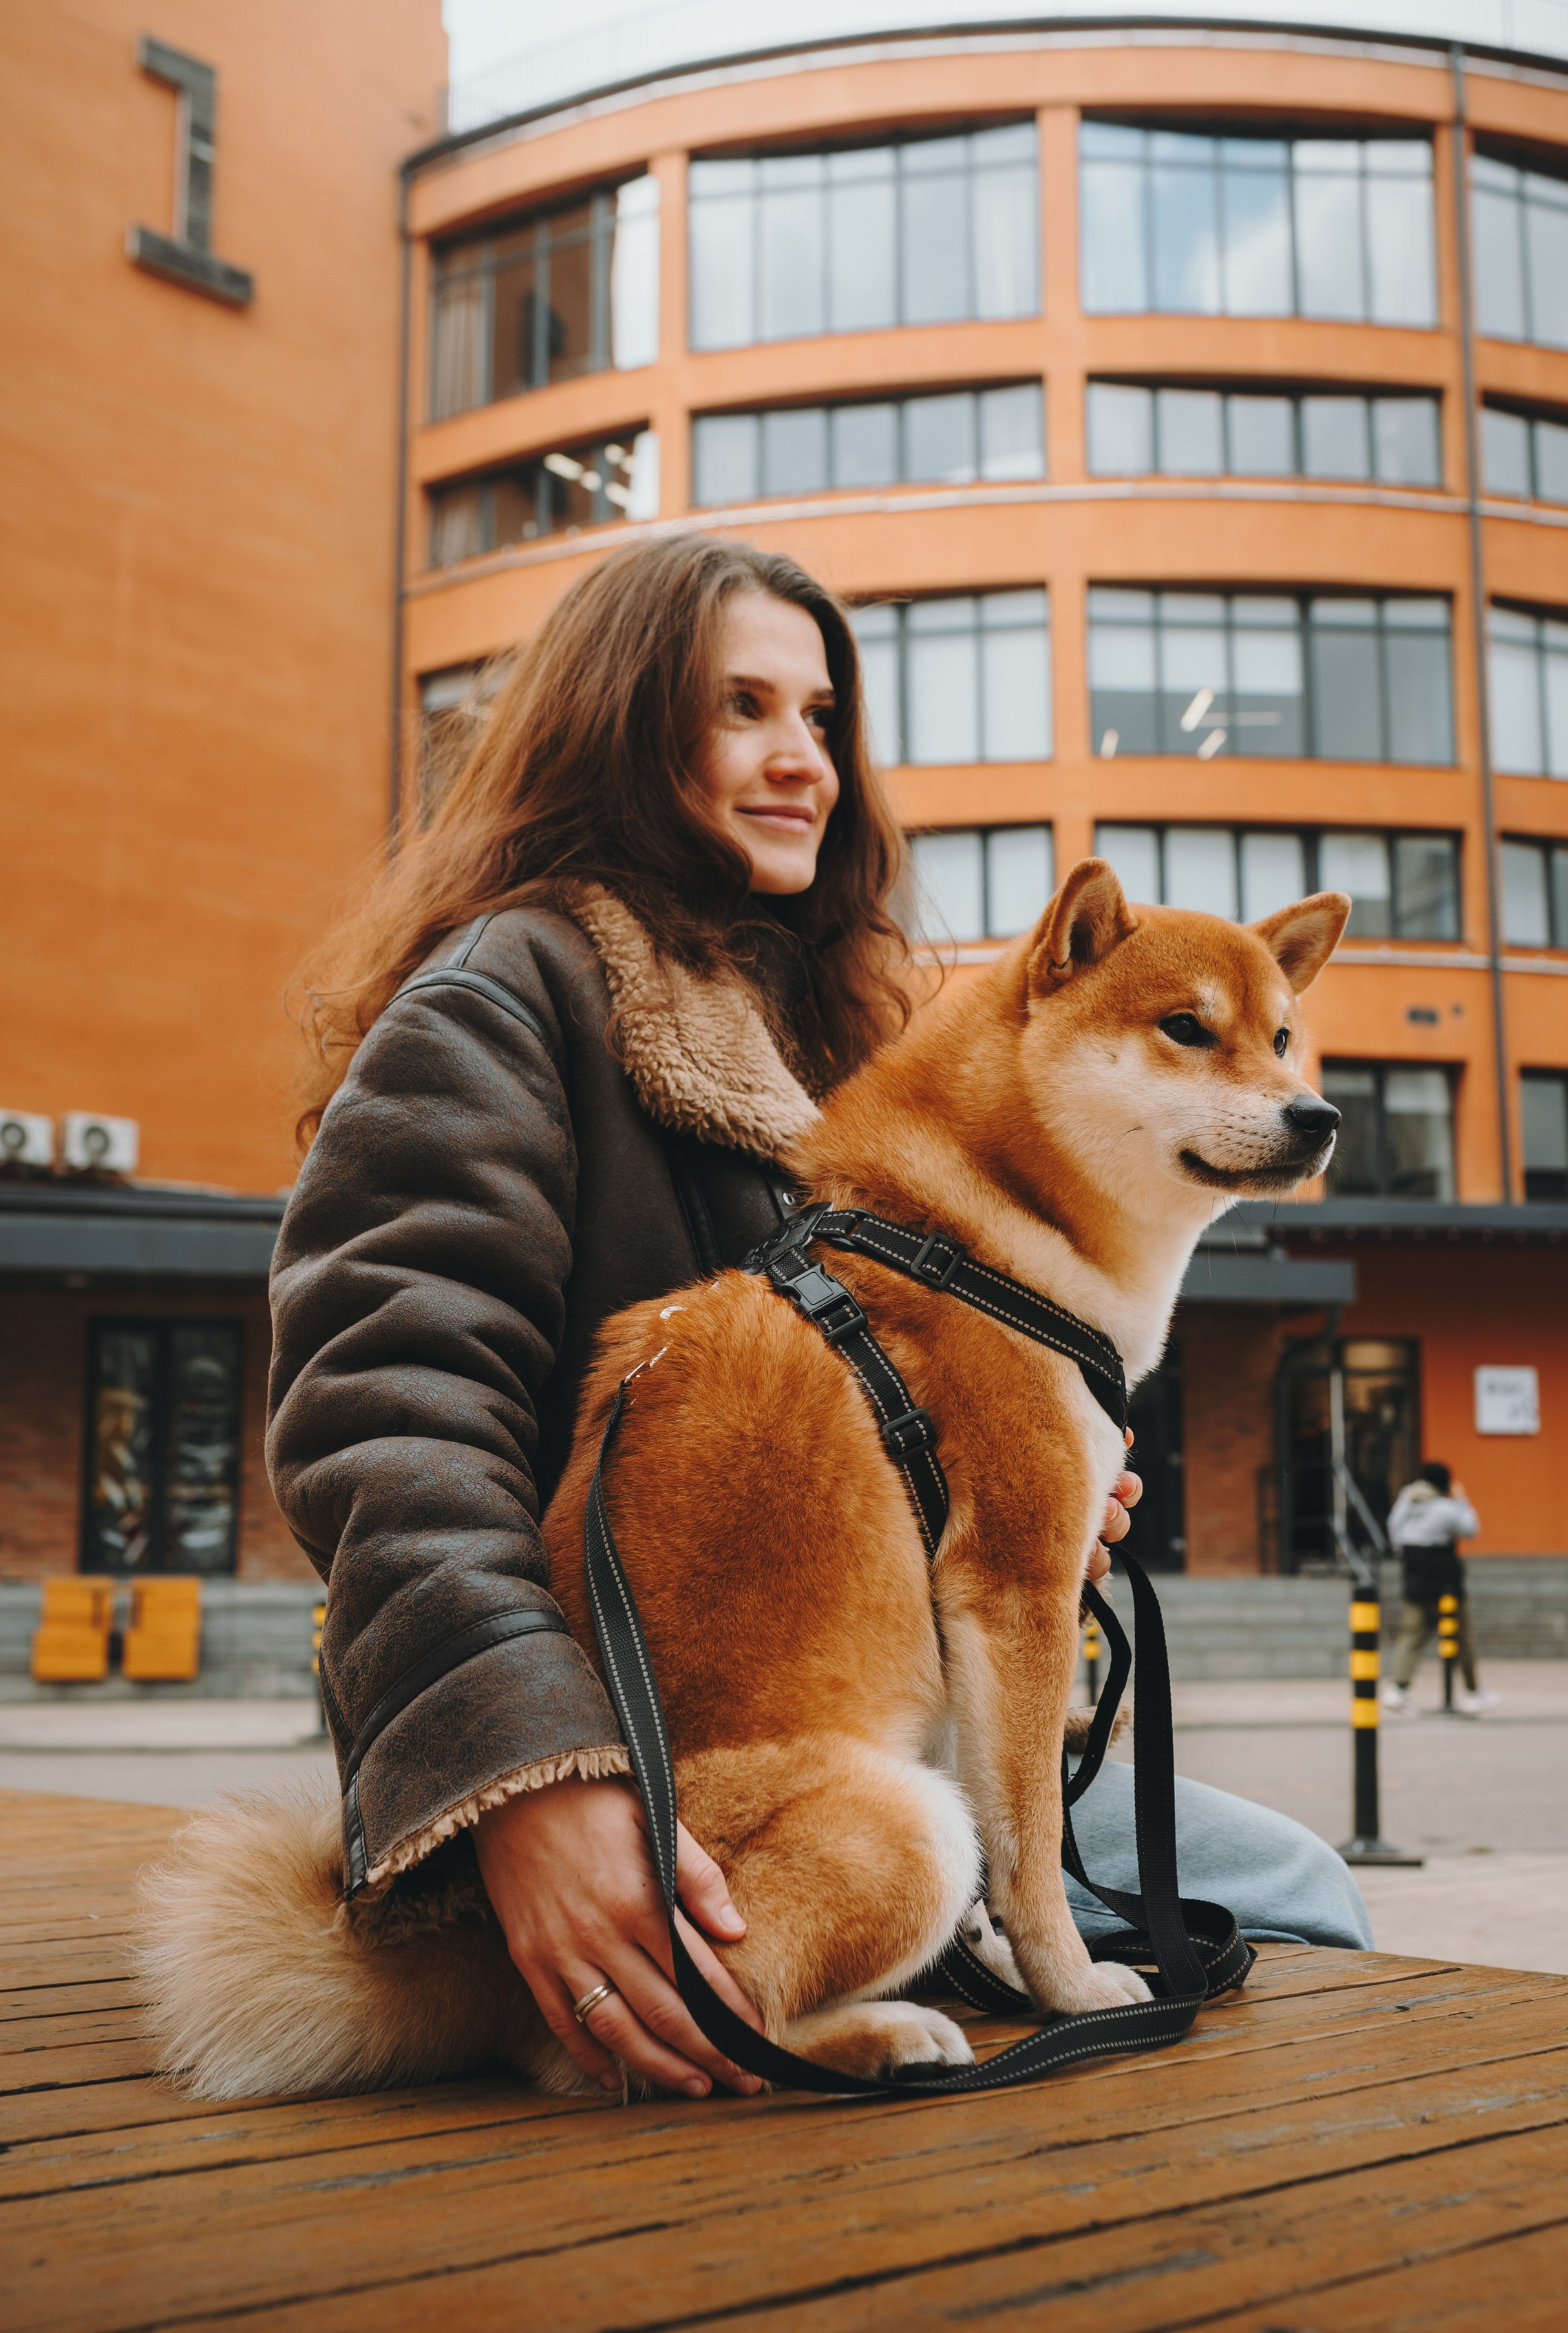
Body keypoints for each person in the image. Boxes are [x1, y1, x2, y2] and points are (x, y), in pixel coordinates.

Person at [271, 531, 1371, 2108]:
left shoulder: (838, 1024)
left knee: (1289, 1883)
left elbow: (851, 1431)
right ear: (615, 725)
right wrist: (531, 1781)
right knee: (1278, 1897)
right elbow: (386, 1419)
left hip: (853, 1731)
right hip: (631, 1751)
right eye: (742, 708)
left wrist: (996, 1483)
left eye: (823, 716)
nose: (802, 757)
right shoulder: (503, 999)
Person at [1381, 1460, 1499, 1713]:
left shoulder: (1406, 1500)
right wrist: (1461, 1500)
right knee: (1462, 1637)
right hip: (1445, 1583)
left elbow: (1394, 1529)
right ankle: (1473, 1693)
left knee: (1411, 1636)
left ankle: (1398, 1690)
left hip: (1414, 1577)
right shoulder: (1446, 1508)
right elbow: (1471, 1530)